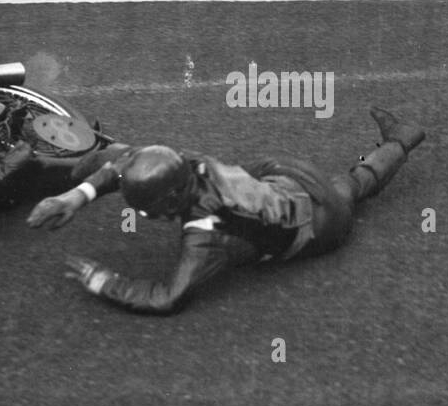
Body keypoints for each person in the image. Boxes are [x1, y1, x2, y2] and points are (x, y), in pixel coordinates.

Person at [25, 108, 426, 315]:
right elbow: (125, 161)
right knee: (356, 182)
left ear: (166, 206)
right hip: (286, 175)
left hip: (325, 222)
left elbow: (167, 299)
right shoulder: (183, 161)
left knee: (353, 191)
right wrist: (74, 197)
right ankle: (403, 138)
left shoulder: (204, 237)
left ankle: (402, 140)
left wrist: (102, 281)